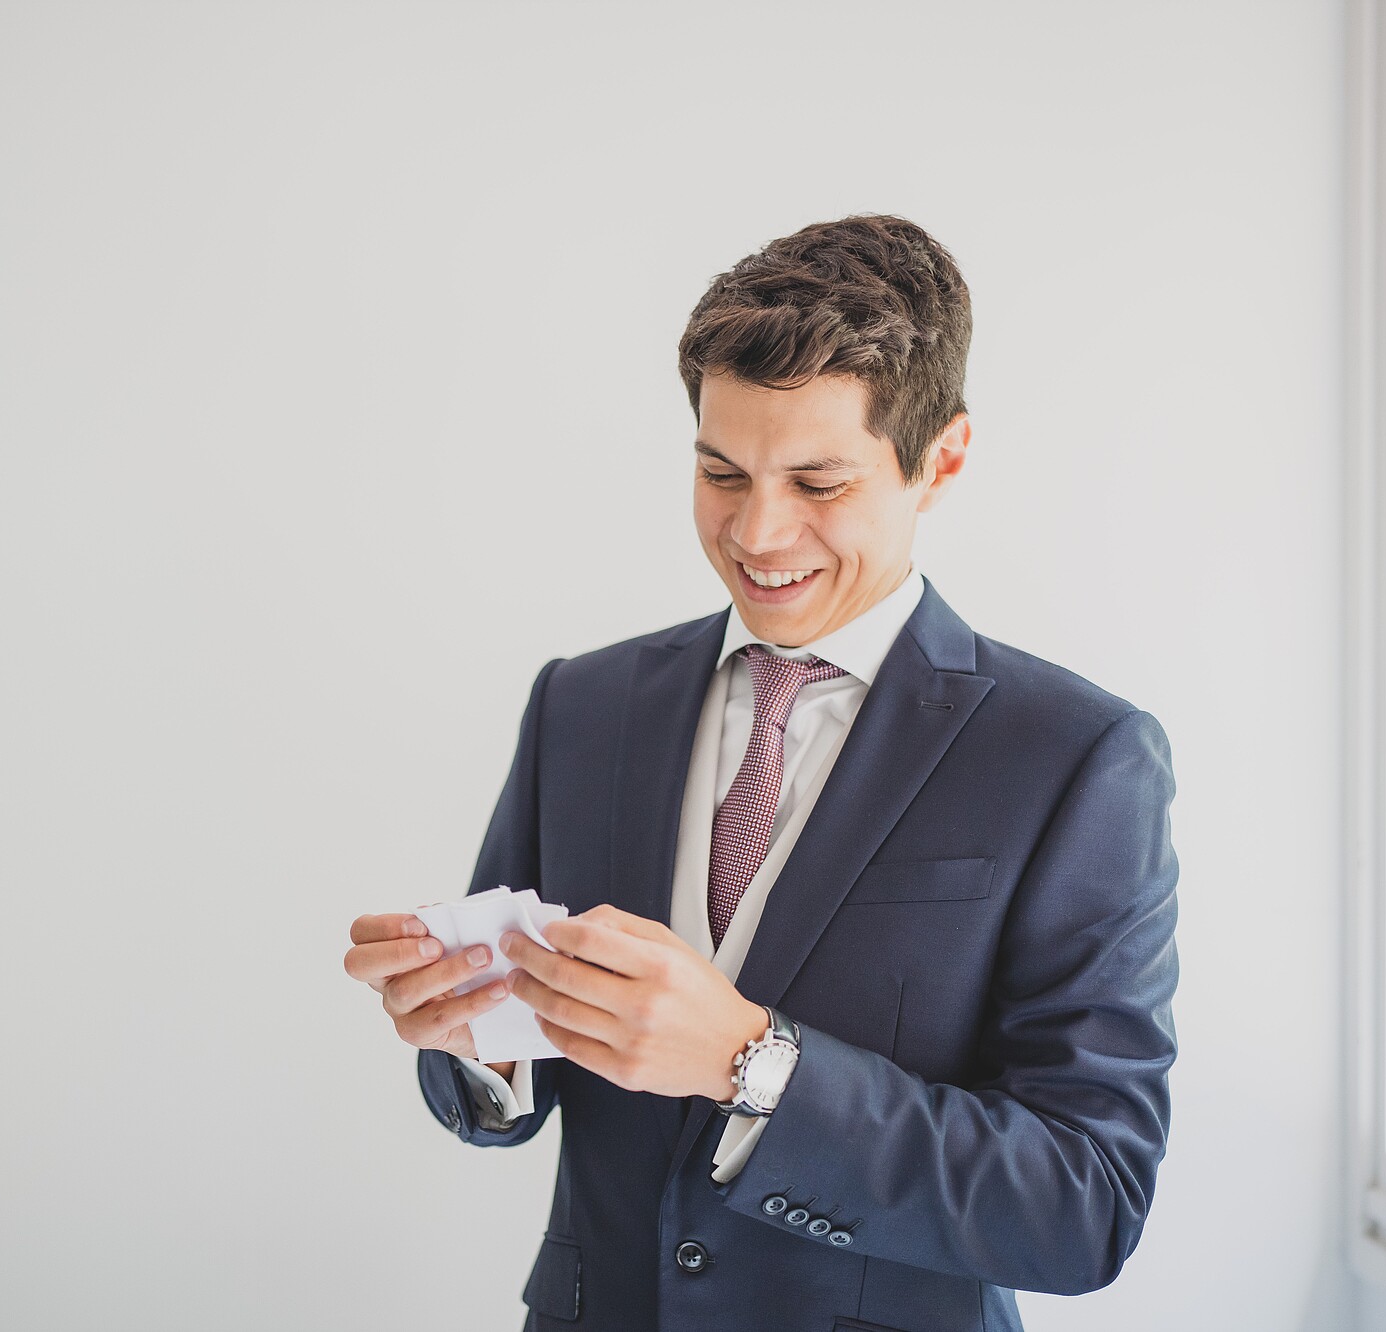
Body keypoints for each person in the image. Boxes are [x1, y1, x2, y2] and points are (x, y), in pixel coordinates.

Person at [342, 213, 1179, 1332]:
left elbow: (1084, 1205)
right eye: (719, 471)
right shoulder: (581, 706)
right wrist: (473, 1041)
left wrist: (751, 1063)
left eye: (817, 484)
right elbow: (511, 1086)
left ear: (941, 460)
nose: (757, 532)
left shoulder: (1075, 757)